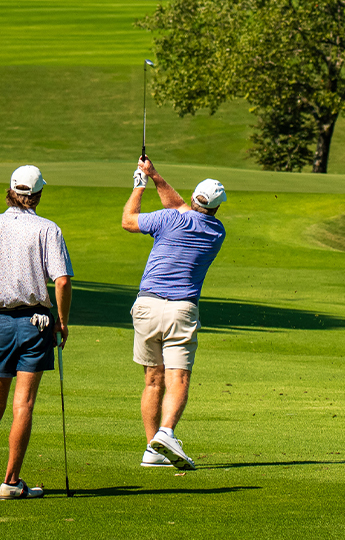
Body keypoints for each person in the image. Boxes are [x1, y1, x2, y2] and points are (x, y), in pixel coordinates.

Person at [0, 166, 73, 499]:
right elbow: (62, 280)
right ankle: (10, 481)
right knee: (22, 405)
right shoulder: (47, 229)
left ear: (10, 190)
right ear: (38, 194)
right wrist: (62, 321)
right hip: (35, 323)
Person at [120, 157, 225, 470]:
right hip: (181, 309)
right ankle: (165, 433)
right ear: (218, 208)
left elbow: (129, 220)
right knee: (177, 376)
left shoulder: (169, 219)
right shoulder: (216, 231)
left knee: (153, 381)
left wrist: (140, 186)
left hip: (147, 306)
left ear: (194, 200)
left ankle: (153, 448)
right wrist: (155, 176)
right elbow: (181, 206)